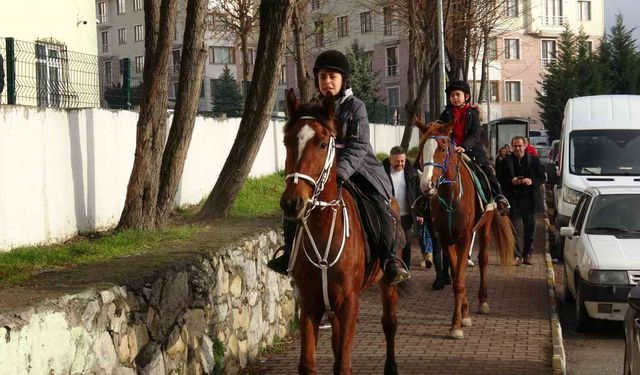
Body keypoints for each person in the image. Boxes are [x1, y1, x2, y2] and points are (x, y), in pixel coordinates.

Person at [268, 50, 410, 285]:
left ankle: (389, 260)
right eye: (323, 77)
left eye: (333, 76)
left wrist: (340, 173)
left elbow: (358, 147)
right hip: (323, 173)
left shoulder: (356, 107)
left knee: (380, 208)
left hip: (359, 171)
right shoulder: (312, 109)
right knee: (294, 210)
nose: (327, 82)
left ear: (344, 80)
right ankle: (289, 256)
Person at [438, 80, 510, 214]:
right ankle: (424, 201)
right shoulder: (445, 114)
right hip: (450, 151)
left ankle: (499, 197)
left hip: (472, 151)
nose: (454, 98)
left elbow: (475, 133)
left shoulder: (473, 113)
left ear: (466, 96)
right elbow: (439, 129)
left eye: (457, 95)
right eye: (452, 95)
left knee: (486, 170)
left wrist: (464, 147)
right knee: (431, 168)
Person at [497, 136, 546, 265]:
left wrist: (532, 181)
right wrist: (511, 181)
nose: (518, 148)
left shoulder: (534, 160)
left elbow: (542, 177)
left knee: (530, 228)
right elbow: (500, 180)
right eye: (515, 146)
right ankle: (516, 255)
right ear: (512, 147)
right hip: (514, 199)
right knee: (515, 229)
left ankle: (528, 254)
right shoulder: (505, 161)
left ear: (525, 146)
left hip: (530, 199)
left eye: (520, 146)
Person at [383, 146, 422, 269]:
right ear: (390, 160)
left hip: (406, 215)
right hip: (388, 215)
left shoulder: (412, 174)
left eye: (402, 161)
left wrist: (419, 213)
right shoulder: (382, 173)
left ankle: (406, 270)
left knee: (406, 245)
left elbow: (417, 194)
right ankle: (390, 270)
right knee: (390, 243)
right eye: (397, 161)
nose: (400, 164)